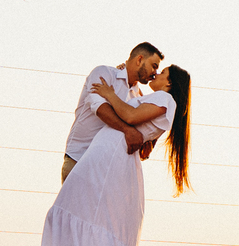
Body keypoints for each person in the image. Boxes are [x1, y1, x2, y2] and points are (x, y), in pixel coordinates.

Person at [36, 64, 192, 246]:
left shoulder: (165, 100)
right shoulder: (154, 98)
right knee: (85, 214)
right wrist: (125, 80)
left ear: (170, 83)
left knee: (85, 214)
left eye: (161, 72)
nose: (156, 74)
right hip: (107, 151)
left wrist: (109, 93)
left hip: (110, 156)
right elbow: (133, 108)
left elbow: (130, 116)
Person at [61, 42, 163, 183]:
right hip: (79, 159)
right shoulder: (104, 73)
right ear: (139, 59)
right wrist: (127, 130)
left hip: (108, 172)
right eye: (154, 66)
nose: (155, 73)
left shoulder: (138, 96)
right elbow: (99, 107)